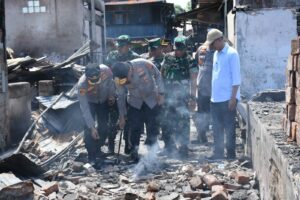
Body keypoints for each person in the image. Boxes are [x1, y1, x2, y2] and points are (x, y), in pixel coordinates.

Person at [112, 58, 164, 162]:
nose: (127, 81)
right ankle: (134, 151)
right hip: (134, 101)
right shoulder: (119, 79)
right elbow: (121, 97)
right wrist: (121, 116)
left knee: (152, 125)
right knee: (134, 126)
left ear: (130, 71)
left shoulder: (144, 64)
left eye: (127, 78)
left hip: (151, 98)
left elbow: (158, 75)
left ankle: (152, 151)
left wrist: (161, 93)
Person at [205, 29, 241, 159]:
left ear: (219, 40)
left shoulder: (232, 54)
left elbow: (237, 79)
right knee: (216, 128)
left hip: (228, 98)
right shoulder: (216, 54)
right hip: (215, 99)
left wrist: (233, 98)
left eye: (212, 43)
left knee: (229, 128)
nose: (211, 46)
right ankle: (218, 153)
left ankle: (231, 155)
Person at [160, 36, 198, 156]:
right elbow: (161, 74)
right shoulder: (168, 57)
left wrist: (193, 98)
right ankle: (169, 146)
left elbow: (193, 80)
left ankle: (183, 146)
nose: (177, 52)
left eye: (180, 49)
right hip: (168, 94)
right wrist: (160, 93)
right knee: (166, 120)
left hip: (183, 96)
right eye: (176, 49)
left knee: (184, 120)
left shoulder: (190, 60)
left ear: (185, 49)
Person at [105, 35, 140, 154]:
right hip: (115, 91)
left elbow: (137, 77)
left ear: (129, 46)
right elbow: (108, 73)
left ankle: (128, 145)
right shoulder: (112, 56)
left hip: (130, 92)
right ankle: (111, 146)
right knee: (113, 120)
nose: (120, 49)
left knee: (129, 120)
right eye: (119, 46)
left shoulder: (135, 57)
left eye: (123, 47)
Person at [77, 63, 116, 163]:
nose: (95, 83)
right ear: (86, 76)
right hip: (90, 102)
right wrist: (92, 127)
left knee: (104, 127)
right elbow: (84, 107)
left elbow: (111, 84)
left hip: (102, 101)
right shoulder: (81, 85)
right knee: (89, 129)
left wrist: (111, 96)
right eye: (92, 81)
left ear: (100, 73)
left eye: (97, 79)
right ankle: (91, 154)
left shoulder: (107, 72)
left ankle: (98, 149)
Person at [193, 42, 214, 144]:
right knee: (209, 113)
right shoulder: (217, 50)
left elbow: (197, 64)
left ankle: (201, 136)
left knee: (202, 112)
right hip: (212, 87)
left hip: (203, 85)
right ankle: (204, 136)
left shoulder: (201, 48)